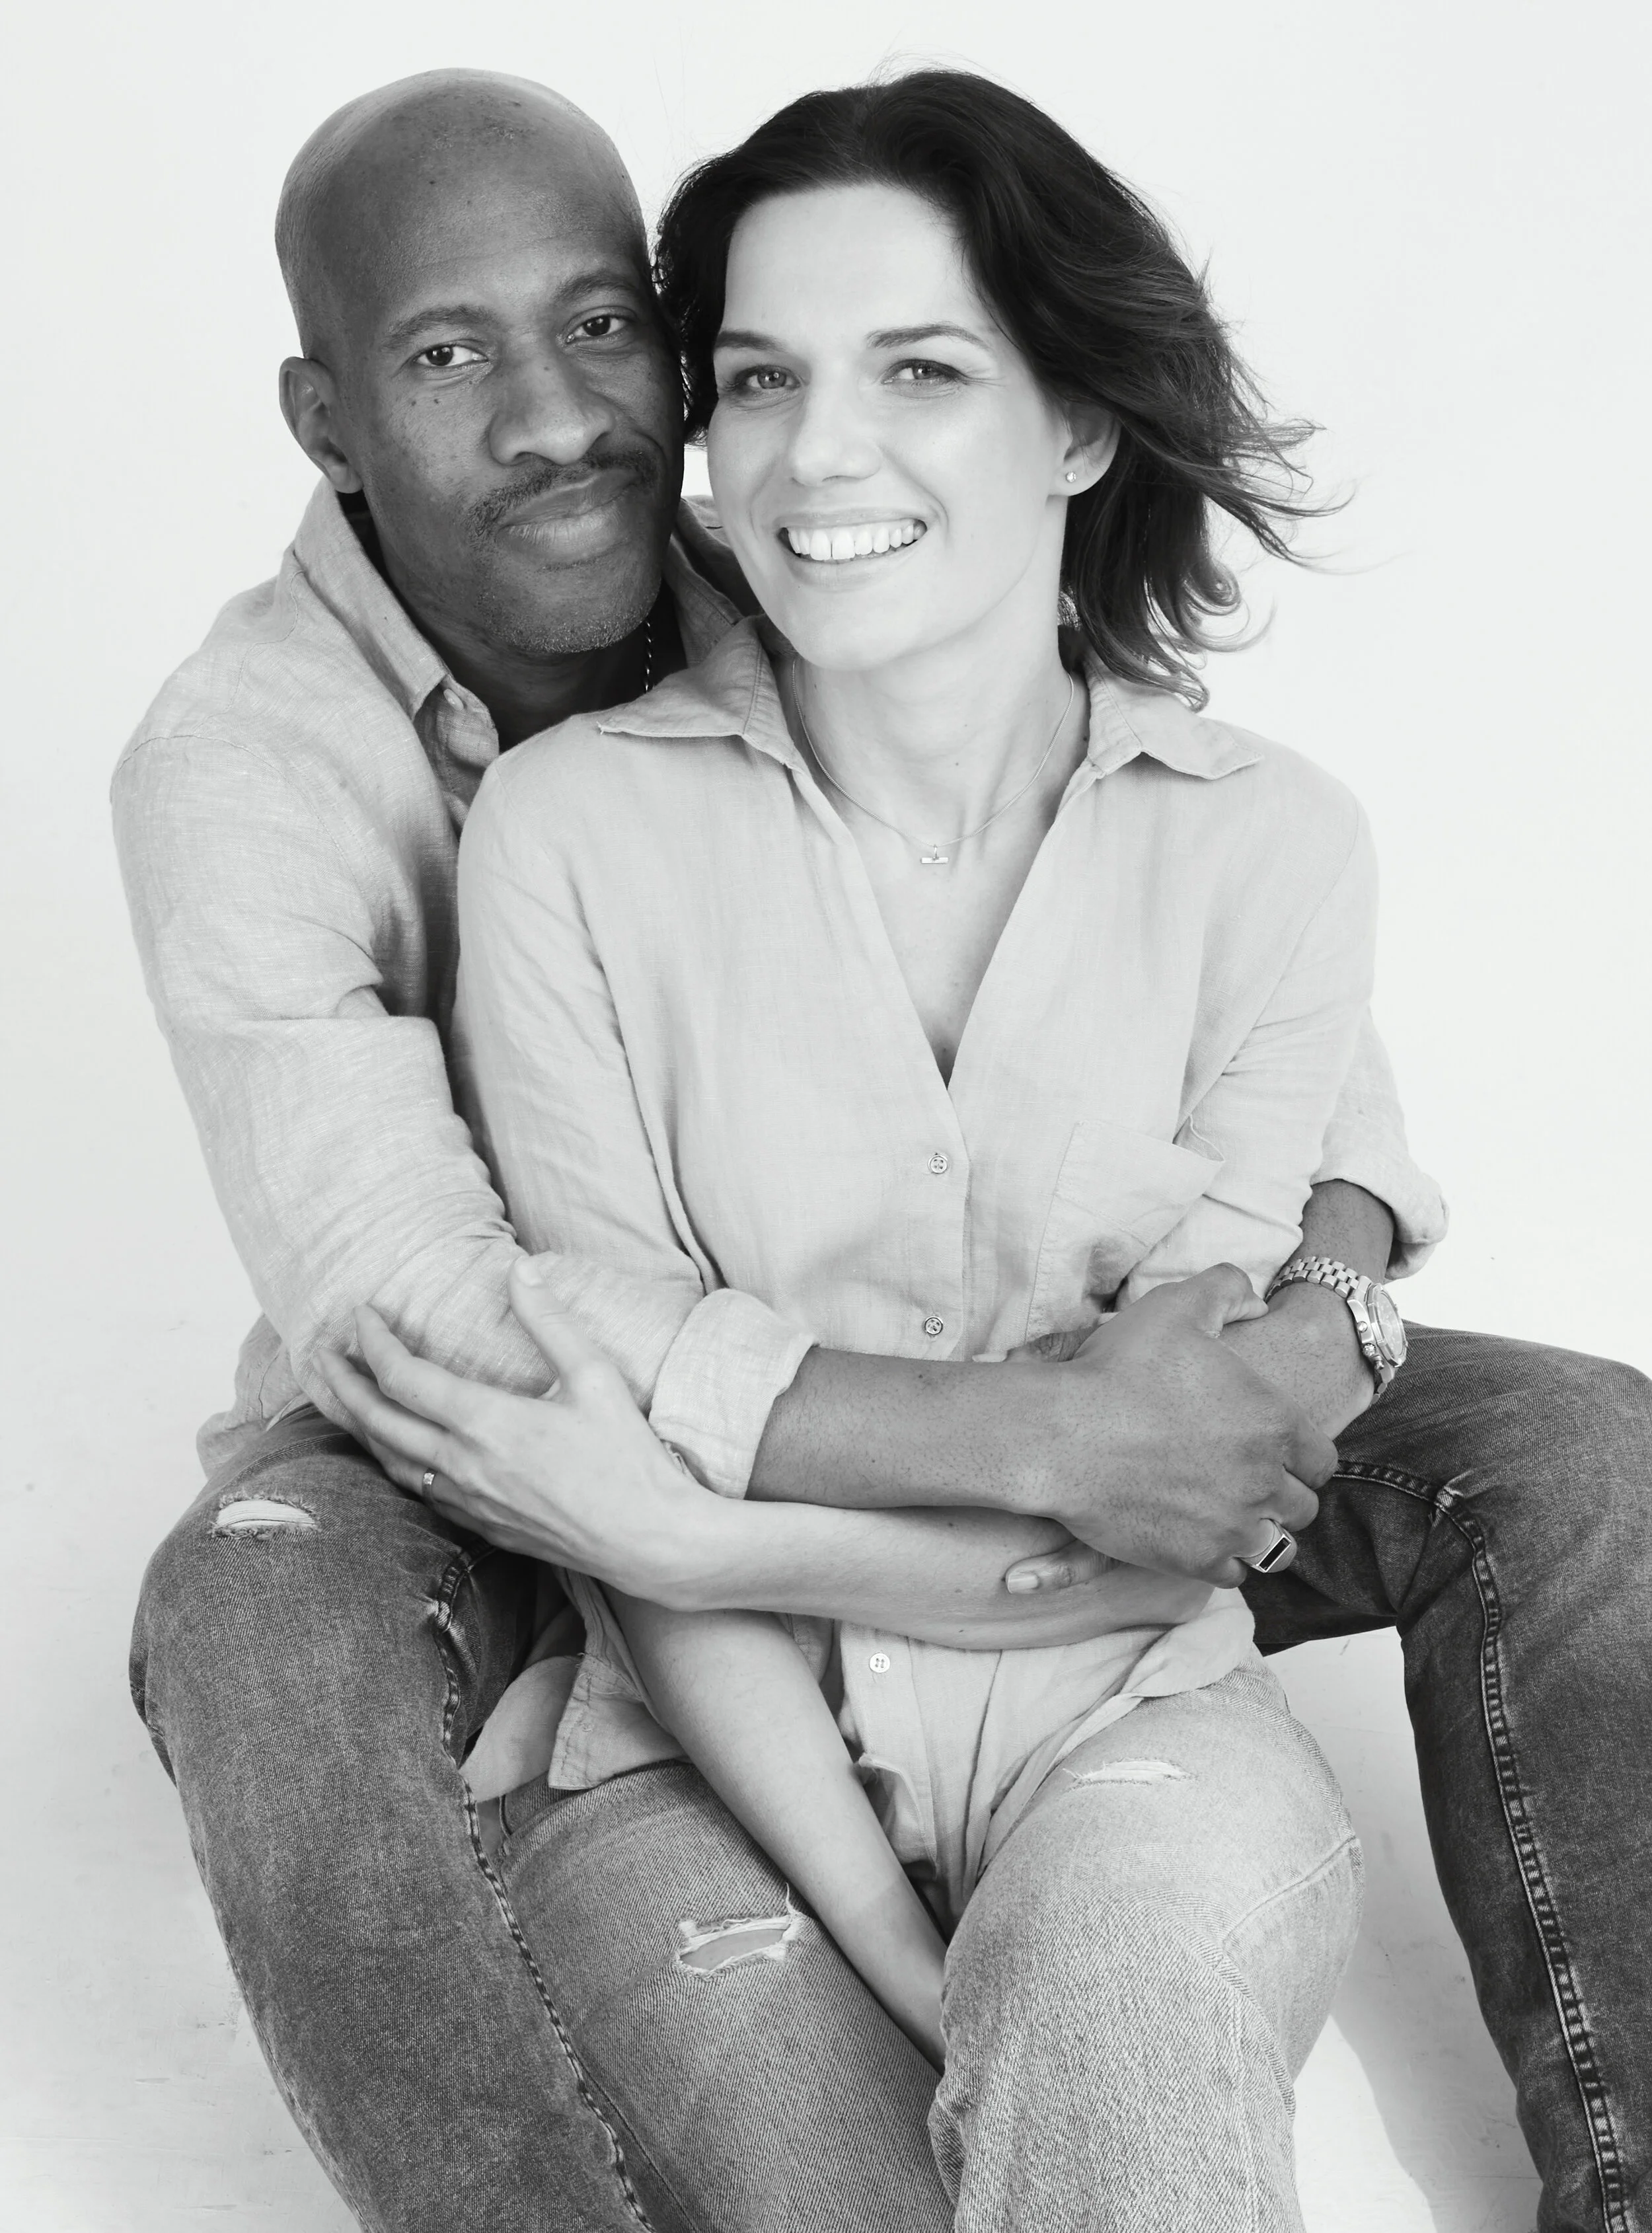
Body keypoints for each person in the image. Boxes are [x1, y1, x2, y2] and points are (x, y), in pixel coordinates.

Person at [114, 65, 1650, 2233]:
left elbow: (1270, 1050)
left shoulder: (815, 549)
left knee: (1576, 1447)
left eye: (605, 328)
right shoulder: (250, 768)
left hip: (1016, 1381)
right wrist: (1030, 1464)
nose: (556, 419)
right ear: (324, 415)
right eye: (445, 356)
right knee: (258, 1614)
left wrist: (1288, 1337)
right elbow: (463, 1315)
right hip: (488, 1441)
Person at [387, 77, 1382, 2219]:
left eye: (918, 370)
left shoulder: (1272, 854)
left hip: (1141, 1725)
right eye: (758, 380)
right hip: (688, 1766)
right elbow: (599, 1414)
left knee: (1118, 2016)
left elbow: (1180, 1505)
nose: (813, 455)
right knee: (818, 2173)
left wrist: (708, 1537)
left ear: (1079, 423)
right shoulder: (566, 838)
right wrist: (908, 1963)